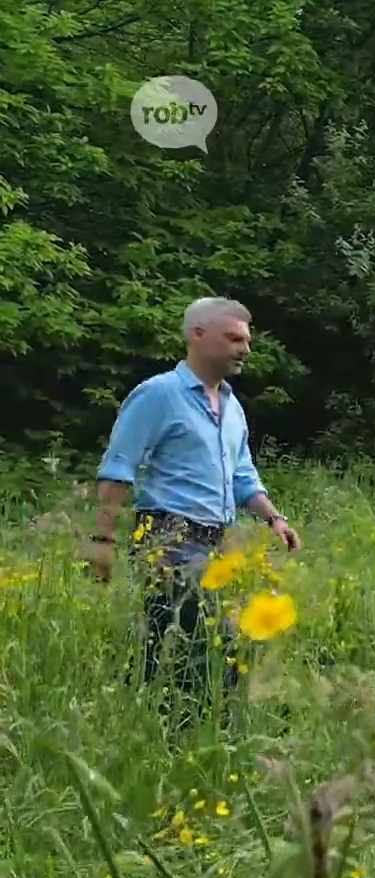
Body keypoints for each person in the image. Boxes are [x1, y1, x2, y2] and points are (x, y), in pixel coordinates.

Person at [83, 297, 302, 722]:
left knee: (194, 645)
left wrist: (274, 518)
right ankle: (183, 731)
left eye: (247, 341)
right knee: (201, 641)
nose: (245, 349)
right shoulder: (158, 395)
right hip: (169, 537)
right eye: (234, 338)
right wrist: (101, 542)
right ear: (197, 335)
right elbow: (118, 469)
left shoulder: (233, 407)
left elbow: (243, 476)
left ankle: (155, 725)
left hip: (221, 542)